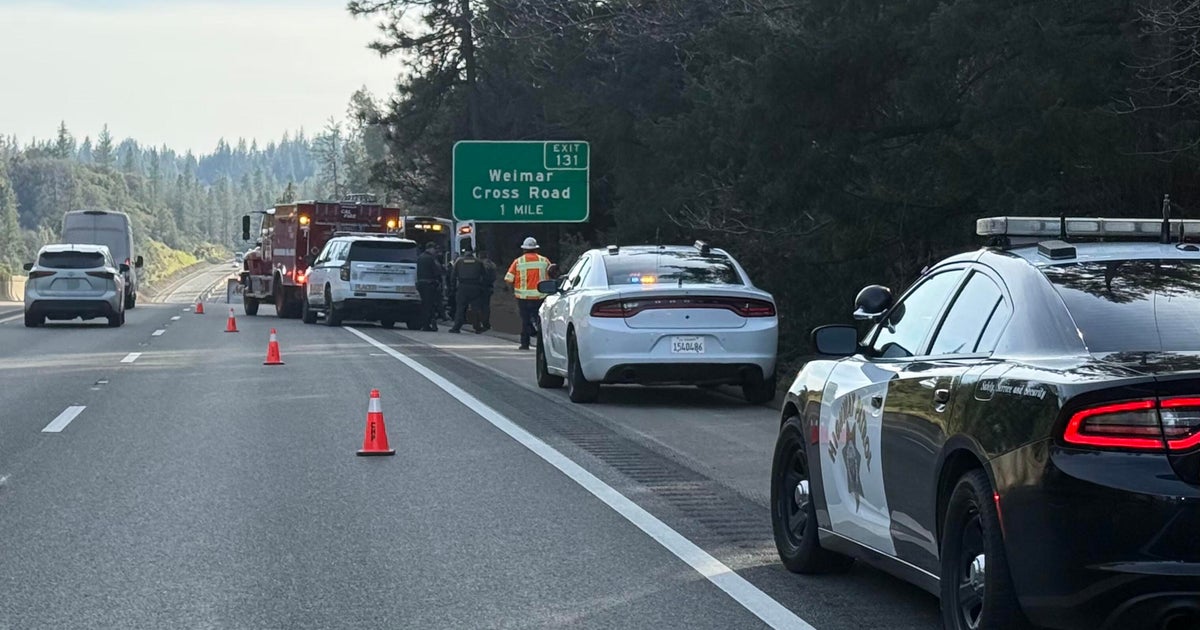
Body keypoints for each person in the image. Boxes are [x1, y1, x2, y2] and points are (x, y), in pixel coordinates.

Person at [504, 237, 552, 350]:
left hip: (523, 298)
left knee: (525, 321)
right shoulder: (544, 261)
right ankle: (542, 344)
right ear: (536, 249)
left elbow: (508, 279)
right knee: (540, 321)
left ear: (524, 249)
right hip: (541, 297)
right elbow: (552, 276)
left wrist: (512, 292)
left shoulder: (518, 261)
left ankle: (525, 344)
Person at [447, 248, 489, 334]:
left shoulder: (459, 261)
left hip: (462, 287)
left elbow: (453, 276)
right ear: (472, 252)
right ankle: (477, 327)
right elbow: (485, 276)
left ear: (464, 252)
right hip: (475, 287)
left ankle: (456, 327)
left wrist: (452, 288)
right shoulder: (478, 262)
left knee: (460, 308)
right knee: (475, 308)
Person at [415, 242, 442, 331]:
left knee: (424, 305)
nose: (435, 251)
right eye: (434, 249)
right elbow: (436, 271)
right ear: (430, 248)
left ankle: (424, 323)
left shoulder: (419, 257)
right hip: (429, 284)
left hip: (421, 283)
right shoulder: (431, 259)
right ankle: (426, 325)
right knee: (429, 305)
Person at [474, 249, 497, 333]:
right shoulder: (492, 265)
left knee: (477, 306)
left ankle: (478, 324)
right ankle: (486, 323)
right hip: (489, 287)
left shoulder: (479, 264)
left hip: (480, 287)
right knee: (486, 306)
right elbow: (494, 277)